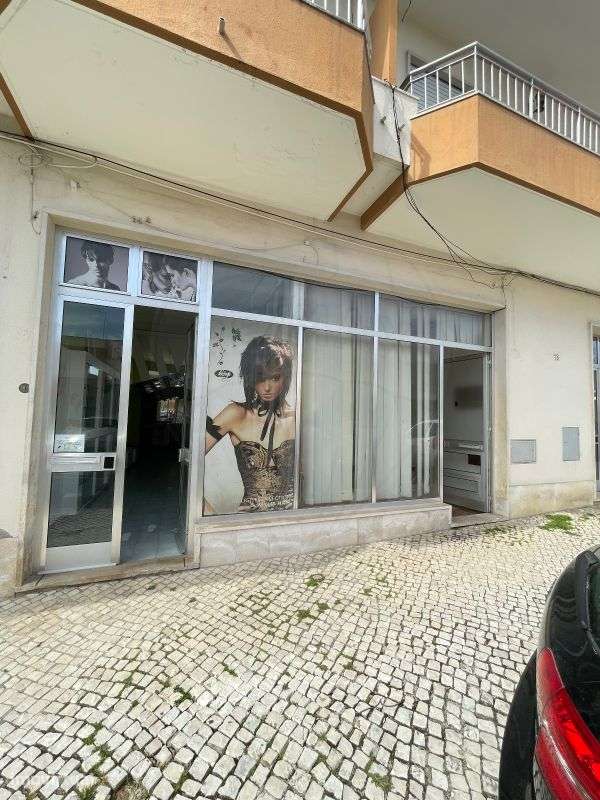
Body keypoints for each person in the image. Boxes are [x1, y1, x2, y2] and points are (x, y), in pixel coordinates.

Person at [205, 336, 295, 513]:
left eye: (275, 378)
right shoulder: (236, 414)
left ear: (286, 378)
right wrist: (209, 517)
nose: (267, 387)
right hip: (249, 521)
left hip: (291, 519)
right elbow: (189, 459)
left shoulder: (296, 418)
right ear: (250, 378)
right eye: (260, 378)